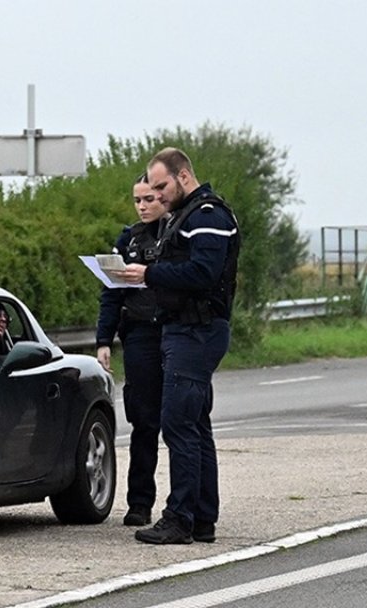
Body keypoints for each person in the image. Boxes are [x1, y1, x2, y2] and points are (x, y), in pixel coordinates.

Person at [119, 147, 240, 545]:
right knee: (195, 424)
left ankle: (180, 518)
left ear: (183, 176)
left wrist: (150, 274)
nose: (157, 194)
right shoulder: (188, 216)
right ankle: (203, 517)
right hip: (186, 330)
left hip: (196, 331)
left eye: (161, 186)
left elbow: (203, 272)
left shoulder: (207, 216)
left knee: (178, 425)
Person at [94, 174, 168, 527]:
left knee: (181, 420)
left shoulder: (177, 234)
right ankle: (140, 502)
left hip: (175, 331)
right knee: (143, 420)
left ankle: (188, 503)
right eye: (137, 200)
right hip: (139, 335)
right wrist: (103, 340)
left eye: (149, 199)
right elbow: (111, 293)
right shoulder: (128, 240)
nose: (142, 206)